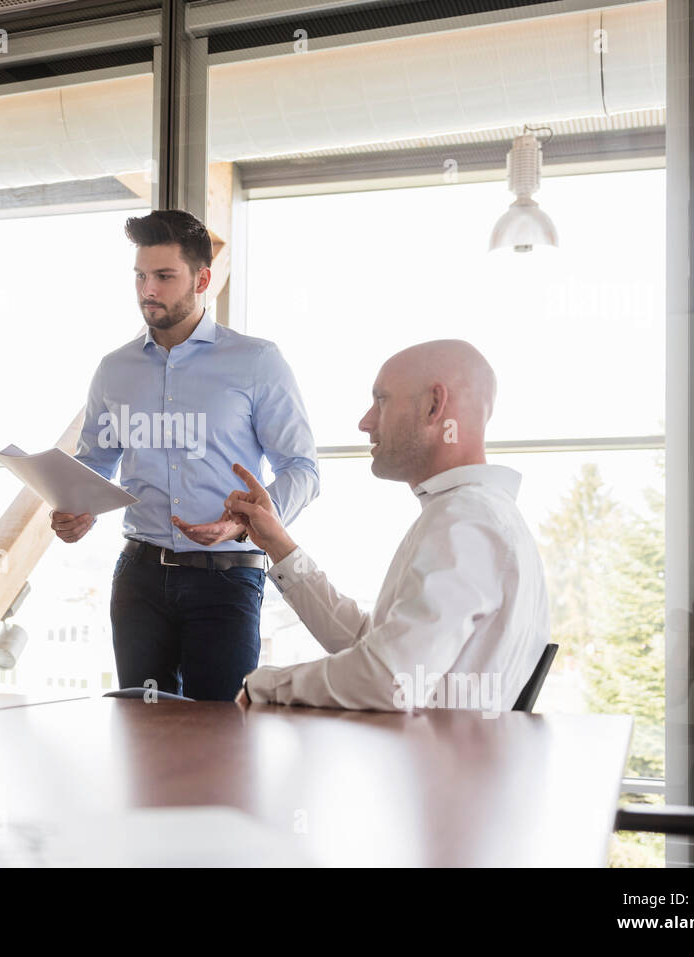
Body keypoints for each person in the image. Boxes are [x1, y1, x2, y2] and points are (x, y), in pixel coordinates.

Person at [52, 209, 319, 701]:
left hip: (227, 578)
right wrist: (76, 509)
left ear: (202, 279)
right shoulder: (114, 369)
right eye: (140, 276)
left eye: (163, 276)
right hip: (138, 578)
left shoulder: (257, 361)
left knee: (221, 734)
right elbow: (94, 463)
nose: (147, 290)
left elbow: (302, 469)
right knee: (141, 730)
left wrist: (248, 522)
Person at [224, 339, 550, 712]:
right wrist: (278, 545)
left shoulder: (464, 522)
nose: (365, 422)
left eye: (381, 400)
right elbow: (372, 646)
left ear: (433, 406)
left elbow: (390, 678)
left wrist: (266, 684)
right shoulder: (473, 514)